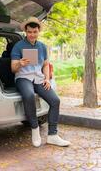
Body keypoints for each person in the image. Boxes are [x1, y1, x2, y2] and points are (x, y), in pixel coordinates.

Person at [11, 17, 71, 147]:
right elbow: (13, 68)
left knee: (55, 101)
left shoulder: (42, 46)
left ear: (38, 32)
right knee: (29, 95)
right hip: (23, 77)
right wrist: (20, 63)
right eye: (29, 32)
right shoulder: (18, 46)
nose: (32, 34)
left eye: (35, 32)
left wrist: (47, 78)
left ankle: (53, 135)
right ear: (26, 32)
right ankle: (35, 129)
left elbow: (45, 65)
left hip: (38, 78)